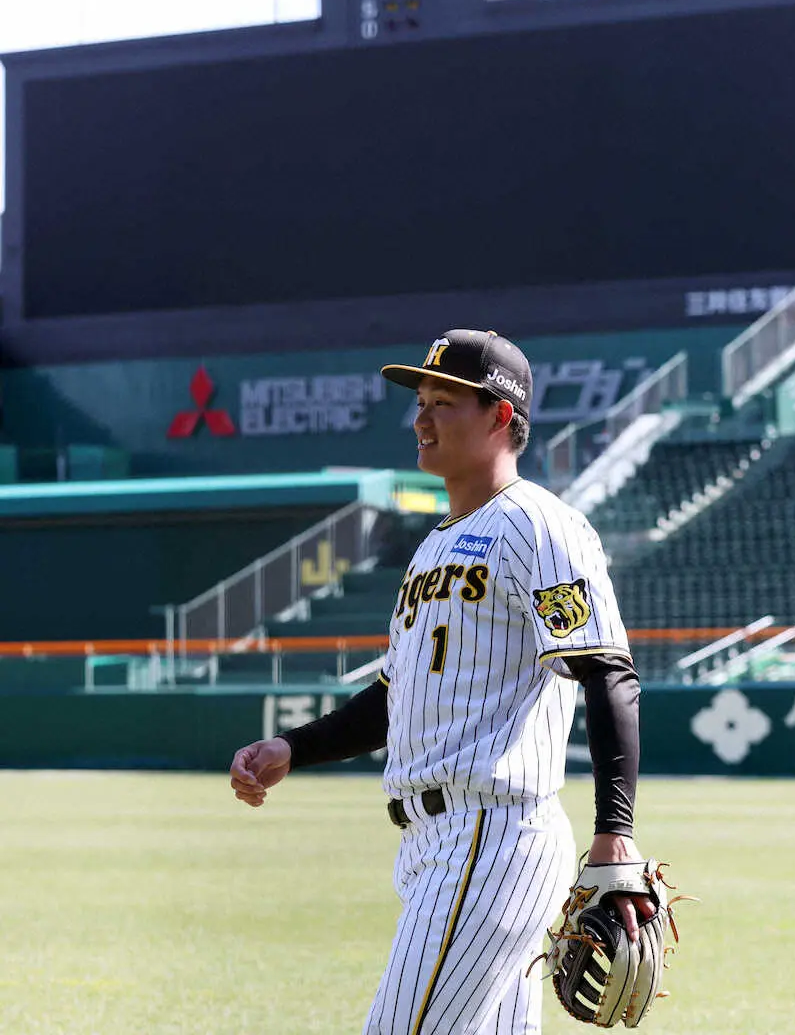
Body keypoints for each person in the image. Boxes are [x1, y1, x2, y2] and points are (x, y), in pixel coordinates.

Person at [229, 328, 653, 1034]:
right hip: (432, 843)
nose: (421, 418)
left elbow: (605, 670)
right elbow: (394, 700)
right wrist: (292, 749)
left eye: (445, 401)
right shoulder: (433, 545)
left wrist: (615, 830)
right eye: (421, 401)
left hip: (490, 834)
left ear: (500, 416)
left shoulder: (539, 525)